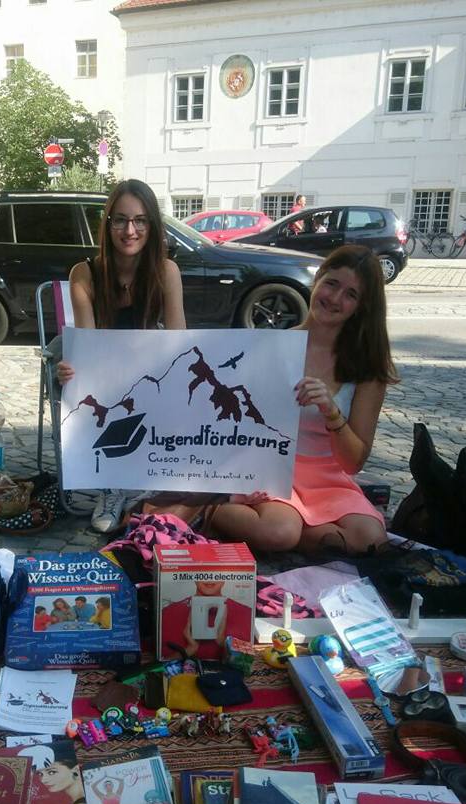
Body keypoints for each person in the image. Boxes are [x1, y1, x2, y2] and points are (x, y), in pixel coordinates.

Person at [211, 245, 397, 555]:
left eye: (351, 294)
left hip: (327, 475)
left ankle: (304, 528)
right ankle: (211, 509)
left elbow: (353, 462)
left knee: (371, 539)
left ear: (362, 307)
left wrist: (331, 412)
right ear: (317, 280)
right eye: (332, 284)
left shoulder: (367, 367)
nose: (335, 299)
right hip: (272, 465)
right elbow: (233, 422)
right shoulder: (269, 346)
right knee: (278, 533)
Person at [56, 179, 186, 533]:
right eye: (121, 220)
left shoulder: (166, 271)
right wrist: (74, 367)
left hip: (150, 364)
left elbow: (178, 340)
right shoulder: (85, 273)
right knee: (83, 382)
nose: (130, 230)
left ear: (152, 226)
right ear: (108, 223)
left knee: (181, 384)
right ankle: (114, 486)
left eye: (140, 221)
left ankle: (147, 479)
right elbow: (89, 342)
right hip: (107, 369)